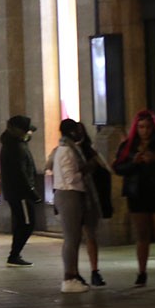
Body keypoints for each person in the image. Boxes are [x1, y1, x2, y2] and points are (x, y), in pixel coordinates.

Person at [112, 109, 155, 286]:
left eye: (148, 127)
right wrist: (134, 162)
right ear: (136, 127)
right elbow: (118, 167)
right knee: (142, 235)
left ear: (153, 127)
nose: (145, 131)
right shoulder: (129, 145)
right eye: (141, 127)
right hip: (138, 193)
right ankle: (141, 272)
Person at [47, 118, 106, 293]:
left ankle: (72, 275)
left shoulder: (68, 149)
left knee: (74, 238)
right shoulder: (66, 151)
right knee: (71, 239)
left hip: (70, 194)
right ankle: (69, 277)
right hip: (69, 194)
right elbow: (71, 177)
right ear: (72, 132)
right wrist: (86, 170)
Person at [1, 114, 41, 266]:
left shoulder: (14, 143)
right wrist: (32, 193)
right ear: (17, 131)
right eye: (26, 131)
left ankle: (15, 254)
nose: (29, 134)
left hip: (18, 192)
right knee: (26, 223)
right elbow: (20, 173)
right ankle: (14, 255)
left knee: (23, 223)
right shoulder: (15, 147)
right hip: (21, 193)